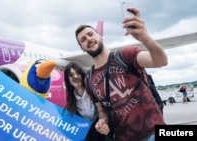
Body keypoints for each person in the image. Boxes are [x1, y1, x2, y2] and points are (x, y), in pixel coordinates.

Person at [75, 7, 167, 141]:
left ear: (100, 36)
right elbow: (103, 113)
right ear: (82, 48)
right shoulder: (88, 80)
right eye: (83, 39)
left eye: (90, 34)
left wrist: (145, 37)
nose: (88, 39)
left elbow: (160, 61)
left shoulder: (126, 55)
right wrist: (102, 123)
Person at [63, 62, 108, 141]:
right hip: (89, 136)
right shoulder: (72, 100)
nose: (76, 76)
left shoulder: (94, 90)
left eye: (78, 73)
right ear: (68, 79)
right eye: (71, 75)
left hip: (104, 132)